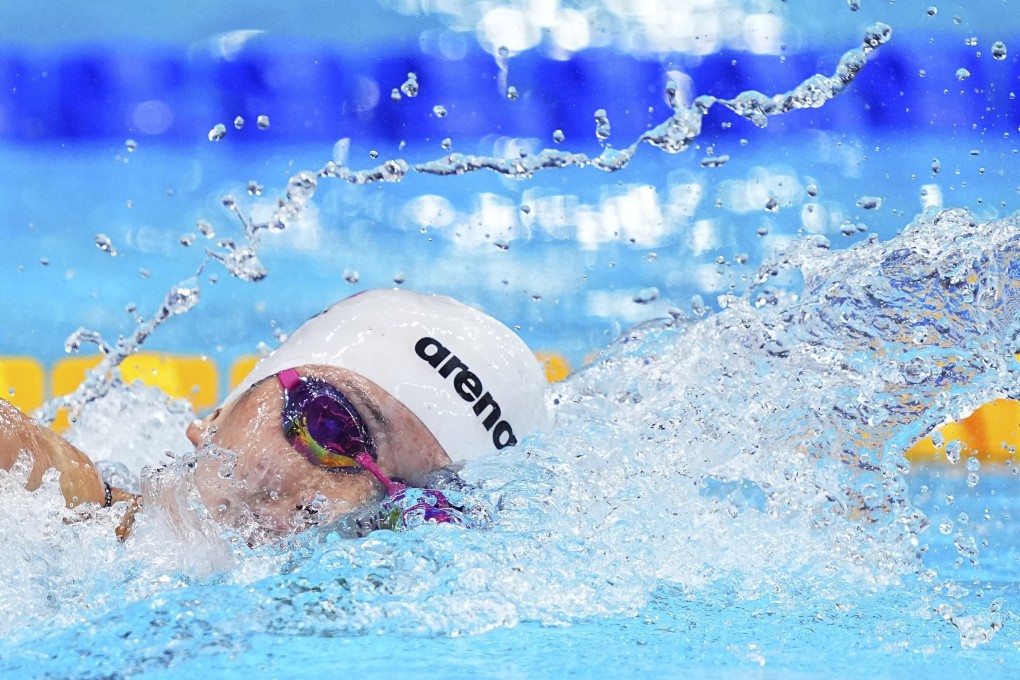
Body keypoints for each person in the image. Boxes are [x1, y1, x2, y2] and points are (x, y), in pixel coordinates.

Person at [0, 289, 550, 539]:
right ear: (220, 411)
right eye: (333, 427)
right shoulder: (42, 510)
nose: (343, 506)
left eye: (417, 508)